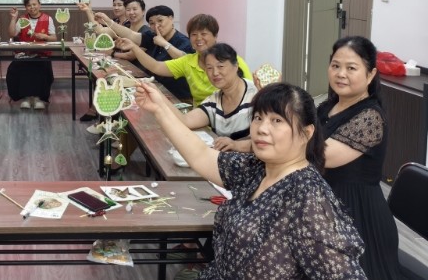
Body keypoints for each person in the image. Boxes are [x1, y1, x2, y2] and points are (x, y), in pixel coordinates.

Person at [134, 81, 366, 277]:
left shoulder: (308, 197)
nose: (262, 128)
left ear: (306, 133)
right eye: (258, 118)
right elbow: (201, 155)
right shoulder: (256, 169)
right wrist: (159, 109)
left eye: (277, 121)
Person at [318, 36, 403, 279]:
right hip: (329, 208)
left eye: (351, 68)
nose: (340, 74)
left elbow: (321, 156)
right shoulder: (327, 106)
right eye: (335, 65)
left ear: (370, 74)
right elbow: (296, 133)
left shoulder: (370, 117)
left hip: (359, 217)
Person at [116, 13, 252, 106]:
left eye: (204, 34)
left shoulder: (233, 61)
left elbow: (250, 93)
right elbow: (156, 66)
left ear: (215, 36)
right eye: (194, 34)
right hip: (201, 118)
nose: (199, 38)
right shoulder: (188, 61)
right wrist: (134, 47)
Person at [165, 43, 256, 152]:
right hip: (222, 158)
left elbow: (270, 139)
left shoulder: (256, 94)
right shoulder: (214, 100)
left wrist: (235, 145)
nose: (215, 73)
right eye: (209, 68)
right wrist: (158, 98)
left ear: (236, 66)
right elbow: (186, 121)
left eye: (220, 66)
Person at [95, 4, 194, 101]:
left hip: (179, 97)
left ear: (171, 18)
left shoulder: (184, 42)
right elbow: (131, 34)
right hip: (155, 90)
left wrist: (165, 44)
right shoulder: (153, 36)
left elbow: (185, 60)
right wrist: (109, 22)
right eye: (152, 23)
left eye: (160, 20)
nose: (156, 26)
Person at [7, 0, 57, 110]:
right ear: (26, 7)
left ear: (39, 5)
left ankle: (38, 98)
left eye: (34, 4)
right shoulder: (22, 19)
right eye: (29, 5)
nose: (32, 7)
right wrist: (14, 18)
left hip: (42, 54)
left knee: (40, 67)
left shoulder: (47, 18)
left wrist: (45, 36)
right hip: (24, 54)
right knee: (18, 67)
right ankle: (26, 98)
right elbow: (12, 34)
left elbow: (54, 38)